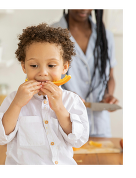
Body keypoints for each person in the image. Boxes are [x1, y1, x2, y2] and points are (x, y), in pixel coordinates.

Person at [0, 23, 89, 165]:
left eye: (51, 65)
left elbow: (79, 140)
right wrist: (17, 104)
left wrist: (60, 108)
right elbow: (0, 137)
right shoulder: (14, 99)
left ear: (65, 67)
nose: (43, 72)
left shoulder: (72, 100)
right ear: (24, 67)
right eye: (34, 65)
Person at [51, 9, 119, 137]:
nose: (83, 8)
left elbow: (110, 76)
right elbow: (42, 77)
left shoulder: (105, 35)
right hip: (64, 124)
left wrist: (108, 95)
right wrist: (66, 96)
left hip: (99, 124)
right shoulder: (51, 34)